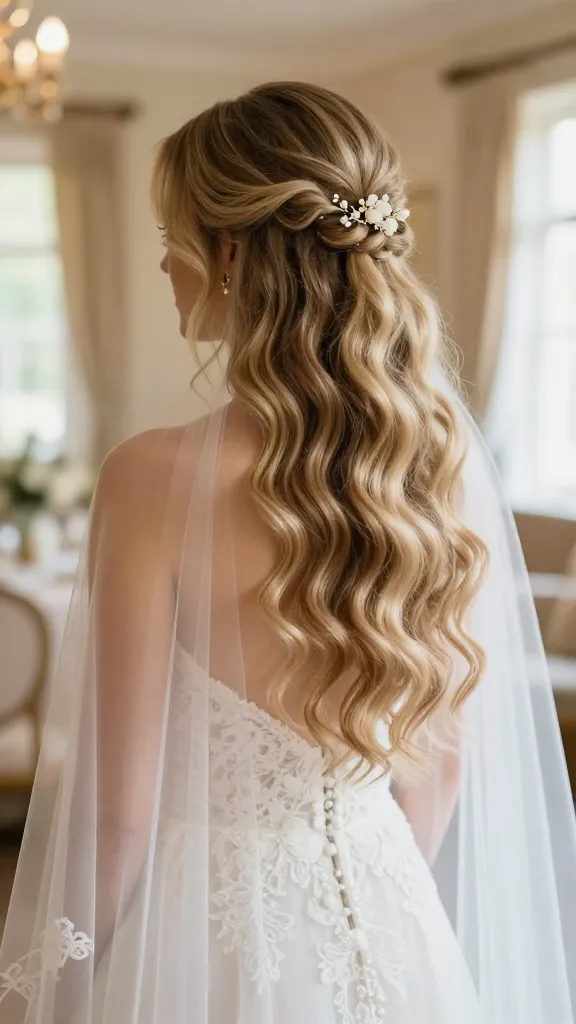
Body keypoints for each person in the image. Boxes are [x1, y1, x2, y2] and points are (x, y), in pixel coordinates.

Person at [0, 81, 575, 1024]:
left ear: (229, 254)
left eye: (170, 235)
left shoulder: (149, 478)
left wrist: (45, 994)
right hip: (394, 915)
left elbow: (117, 821)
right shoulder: (433, 459)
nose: (163, 265)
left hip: (203, 936)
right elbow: (440, 771)